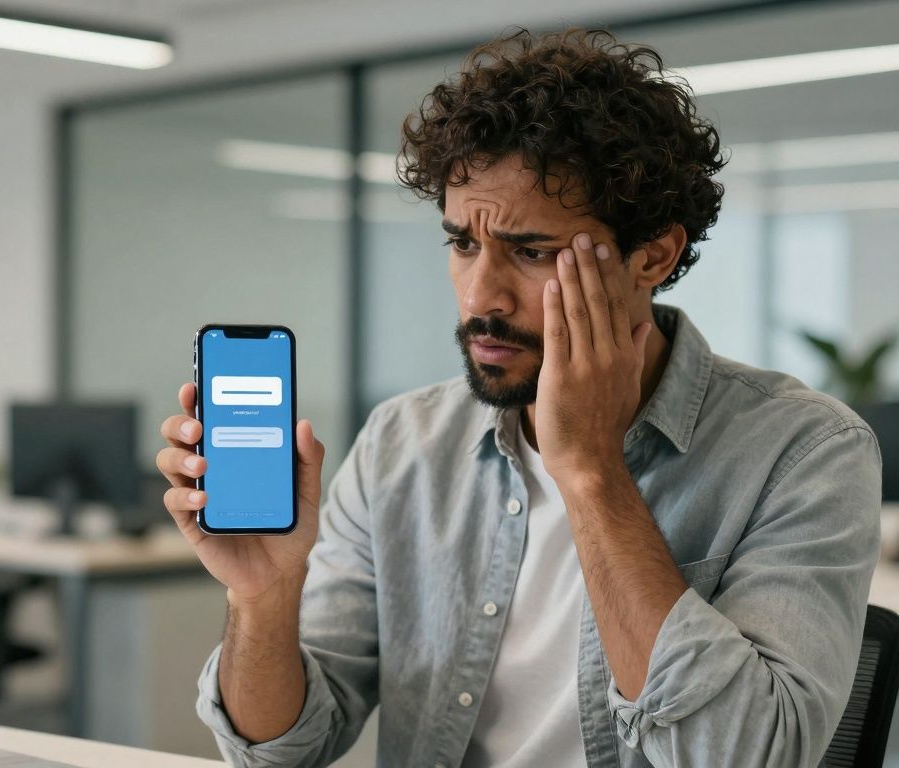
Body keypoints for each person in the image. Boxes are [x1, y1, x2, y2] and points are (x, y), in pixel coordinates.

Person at [156, 27, 883, 768]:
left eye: (531, 252)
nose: (480, 296)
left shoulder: (805, 452)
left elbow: (747, 758)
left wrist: (593, 471)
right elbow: (280, 751)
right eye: (463, 244)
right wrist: (265, 598)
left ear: (653, 255)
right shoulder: (402, 443)